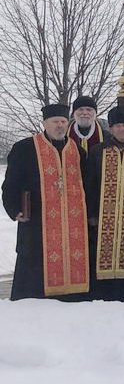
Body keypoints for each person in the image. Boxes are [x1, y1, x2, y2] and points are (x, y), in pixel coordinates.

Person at [2, 104, 90, 300]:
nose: (59, 126)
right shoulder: (24, 148)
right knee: (34, 269)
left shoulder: (77, 151)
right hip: (37, 223)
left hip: (71, 225)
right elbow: (10, 184)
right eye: (55, 122)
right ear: (45, 123)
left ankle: (72, 297)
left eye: (63, 122)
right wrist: (15, 208)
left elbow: (88, 185)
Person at [84, 105, 124, 305]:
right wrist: (92, 213)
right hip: (104, 219)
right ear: (110, 129)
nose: (122, 130)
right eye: (117, 126)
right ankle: (104, 296)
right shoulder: (97, 152)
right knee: (102, 256)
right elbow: (90, 184)